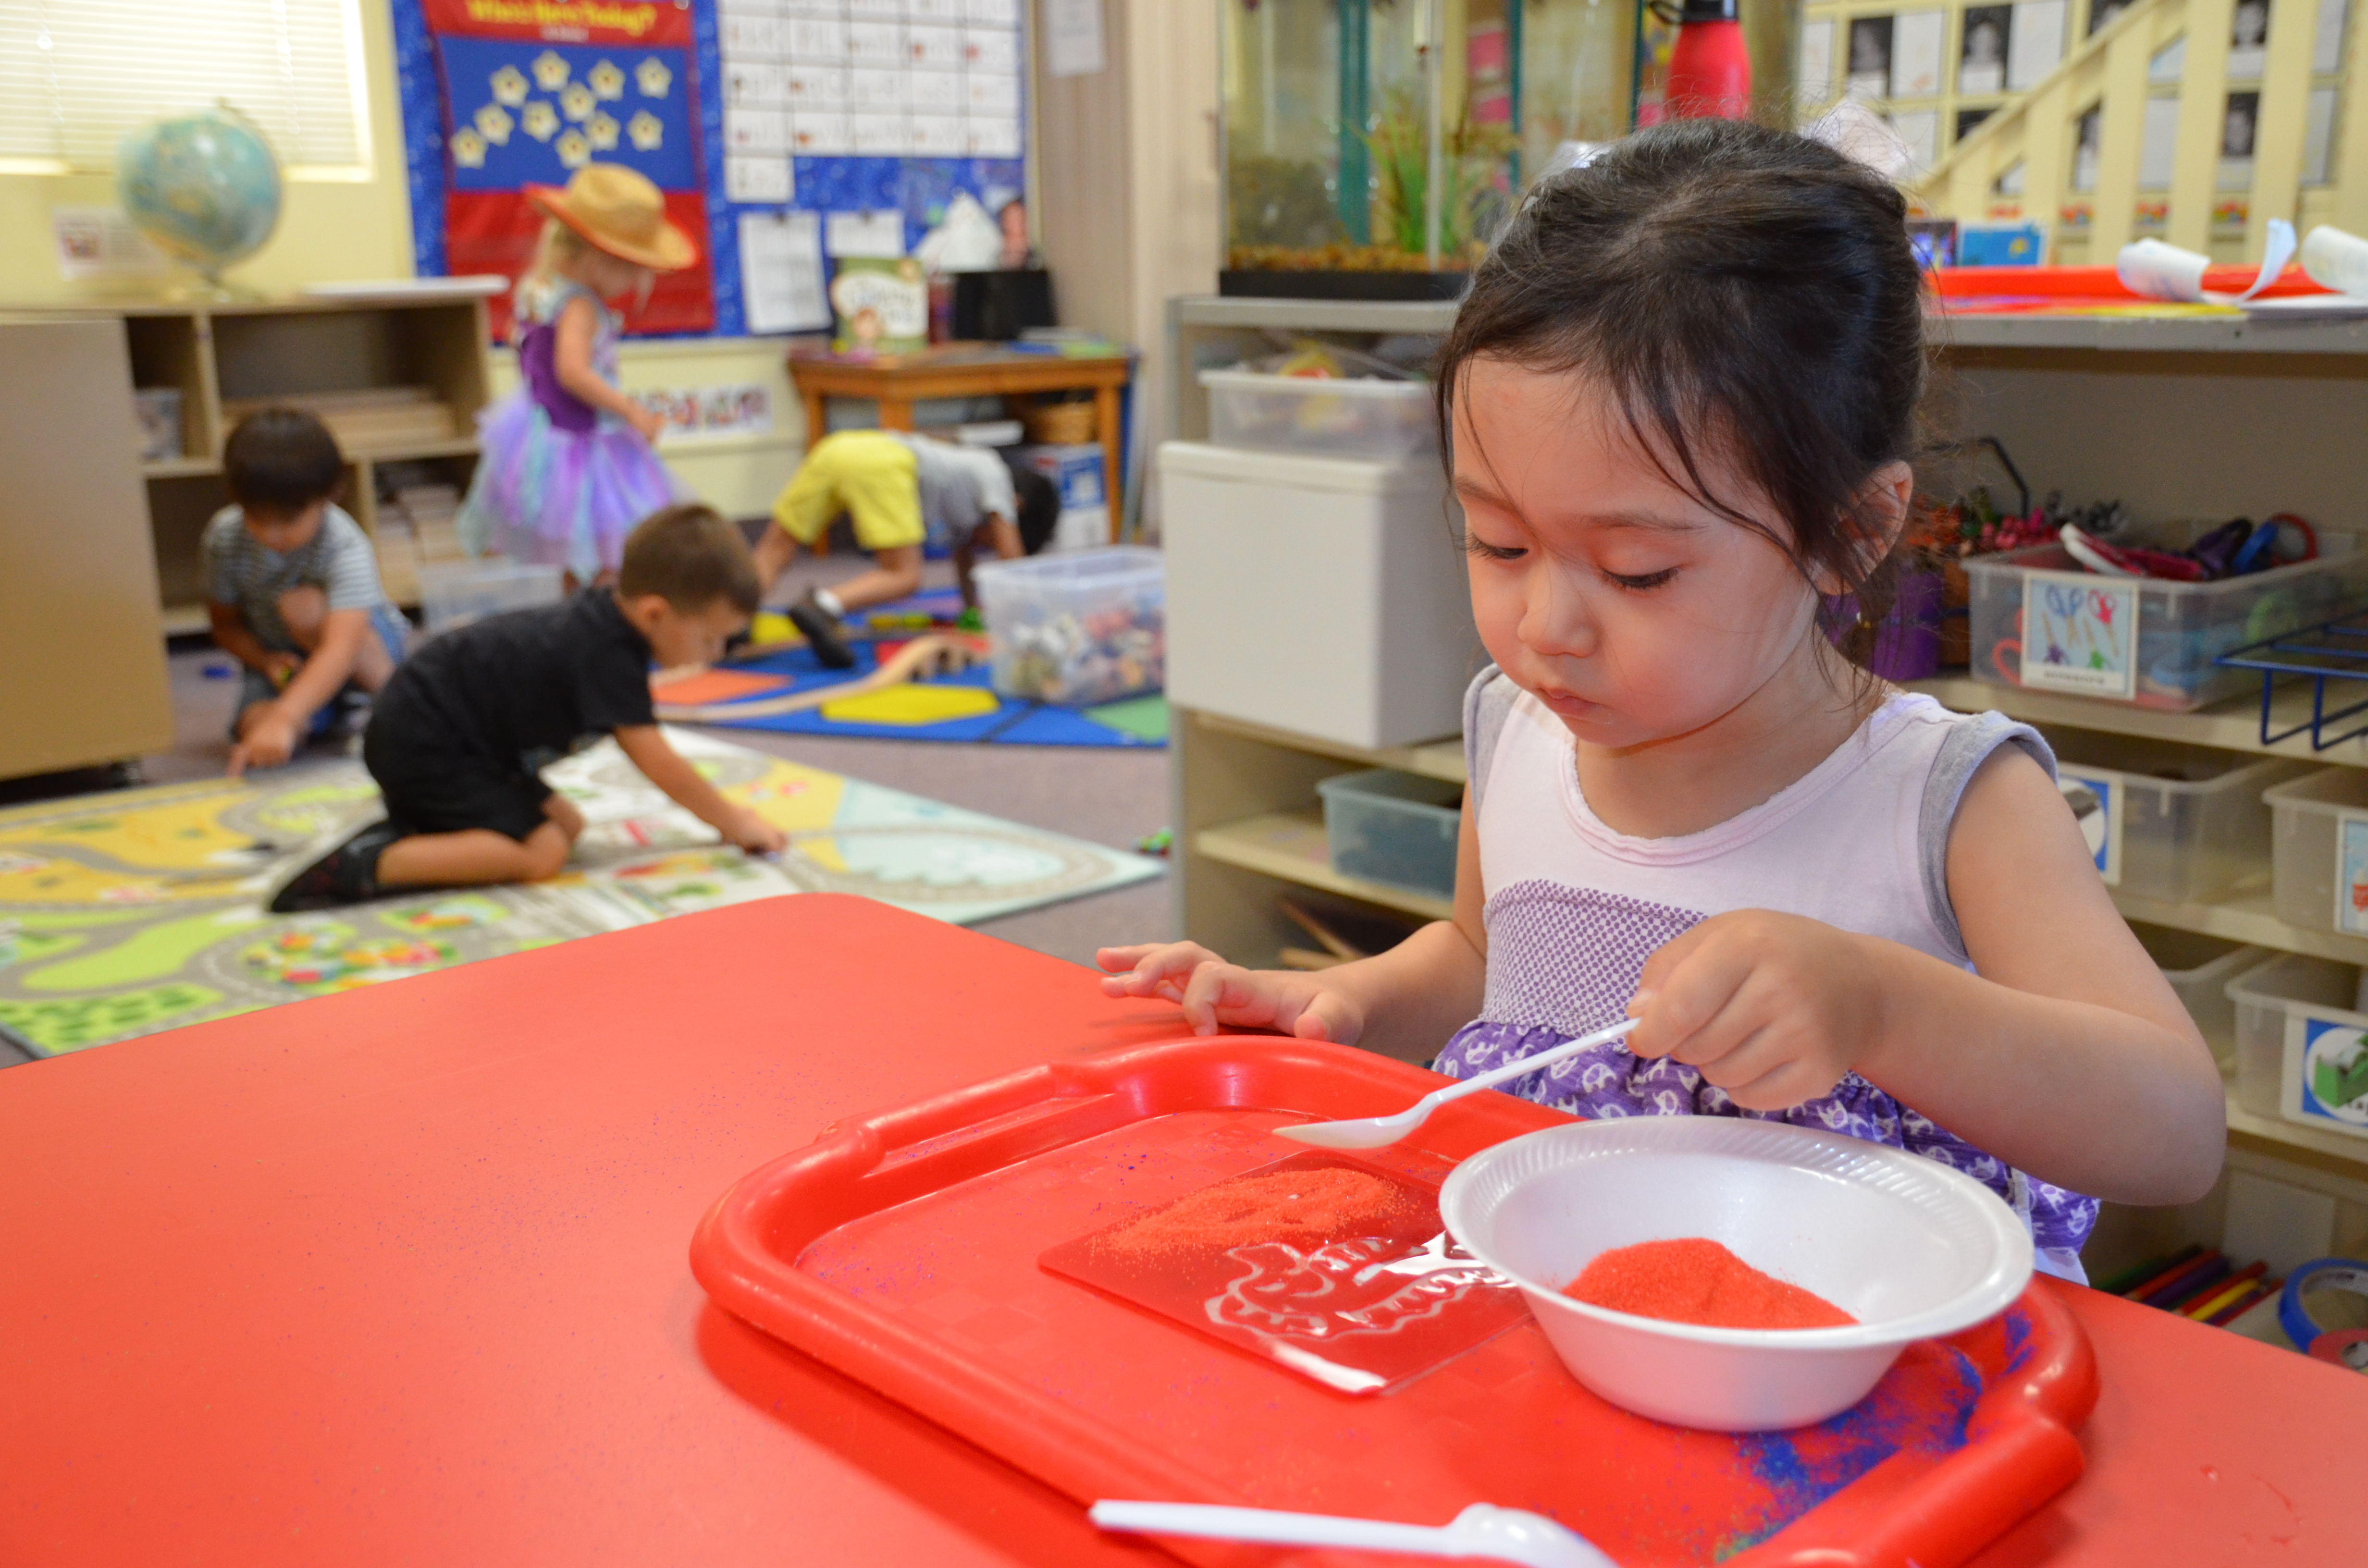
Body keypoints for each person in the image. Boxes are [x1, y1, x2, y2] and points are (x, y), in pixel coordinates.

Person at [1096, 120, 2225, 1282]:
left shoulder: (1946, 800)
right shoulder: (1516, 725)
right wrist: (1339, 1003)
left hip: (1853, 1365)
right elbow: (1486, 959)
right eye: (1497, 541)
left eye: (1636, 571)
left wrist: (1881, 1009)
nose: (1547, 626)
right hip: (1563, 1311)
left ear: (1853, 530)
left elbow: (2176, 1129)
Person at [267, 504, 787, 912]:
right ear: (656, 613)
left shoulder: (608, 622)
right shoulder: (609, 656)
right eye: (710, 639)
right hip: (424, 744)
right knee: (543, 854)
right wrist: (732, 822)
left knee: (569, 825)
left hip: (459, 741)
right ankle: (366, 864)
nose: (713, 655)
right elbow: (657, 761)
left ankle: (423, 827)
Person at [456, 163, 692, 584]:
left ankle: (573, 620)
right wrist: (630, 410)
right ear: (592, 255)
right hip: (577, 440)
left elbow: (532, 356)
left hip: (542, 431)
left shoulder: (540, 289)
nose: (633, 281)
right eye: (628, 268)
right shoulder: (580, 306)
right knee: (605, 543)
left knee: (563, 544)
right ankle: (594, 619)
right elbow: (573, 373)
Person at [204, 408, 410, 776]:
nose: (273, 535)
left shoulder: (343, 544)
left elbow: (341, 649)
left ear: (331, 496)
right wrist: (266, 664)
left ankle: (397, 704)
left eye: (290, 520)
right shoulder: (224, 538)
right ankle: (329, 716)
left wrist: (287, 714)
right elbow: (226, 626)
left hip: (359, 652)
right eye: (258, 518)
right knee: (257, 728)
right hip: (284, 659)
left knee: (304, 608)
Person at [754, 430, 1058, 666]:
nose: (987, 544)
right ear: (1018, 506)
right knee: (904, 576)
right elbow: (1013, 567)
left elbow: (964, 558)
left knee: (777, 545)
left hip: (839, 448)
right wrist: (1028, 628)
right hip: (885, 462)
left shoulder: (966, 498)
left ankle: (736, 616)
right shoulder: (998, 478)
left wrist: (972, 611)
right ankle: (823, 605)